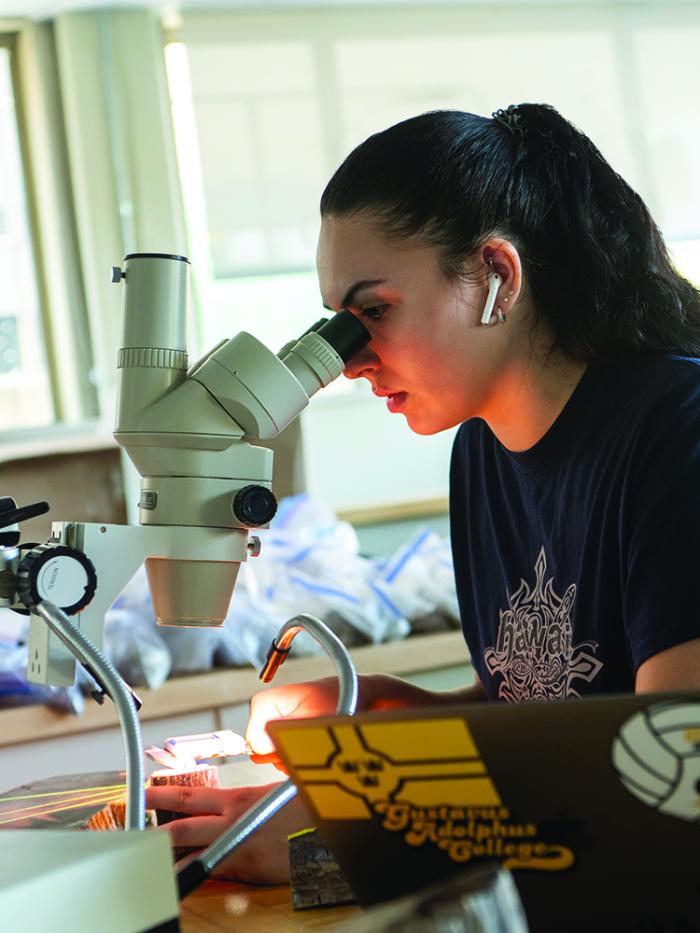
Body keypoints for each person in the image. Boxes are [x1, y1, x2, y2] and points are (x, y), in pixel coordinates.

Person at [146, 103, 700, 882]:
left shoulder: (679, 433)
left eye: (373, 312)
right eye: (338, 323)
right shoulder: (483, 446)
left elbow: (670, 780)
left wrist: (339, 845)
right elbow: (558, 703)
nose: (349, 360)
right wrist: (405, 715)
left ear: (496, 277)